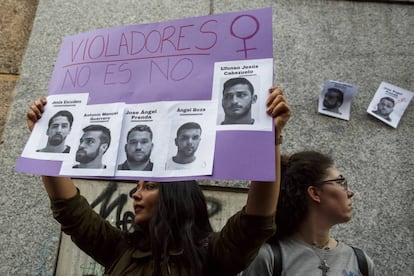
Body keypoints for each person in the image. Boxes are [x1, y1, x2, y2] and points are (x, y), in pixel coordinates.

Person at [26, 86, 290, 276]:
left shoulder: (213, 255)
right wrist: (42, 138)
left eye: (149, 187)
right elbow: (71, 211)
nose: (136, 195)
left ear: (178, 196)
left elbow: (256, 222)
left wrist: (270, 140)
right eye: (137, 188)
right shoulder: (119, 248)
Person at [240, 151, 376, 276]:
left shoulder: (360, 261)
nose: (350, 193)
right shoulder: (269, 258)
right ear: (315, 193)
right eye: (340, 182)